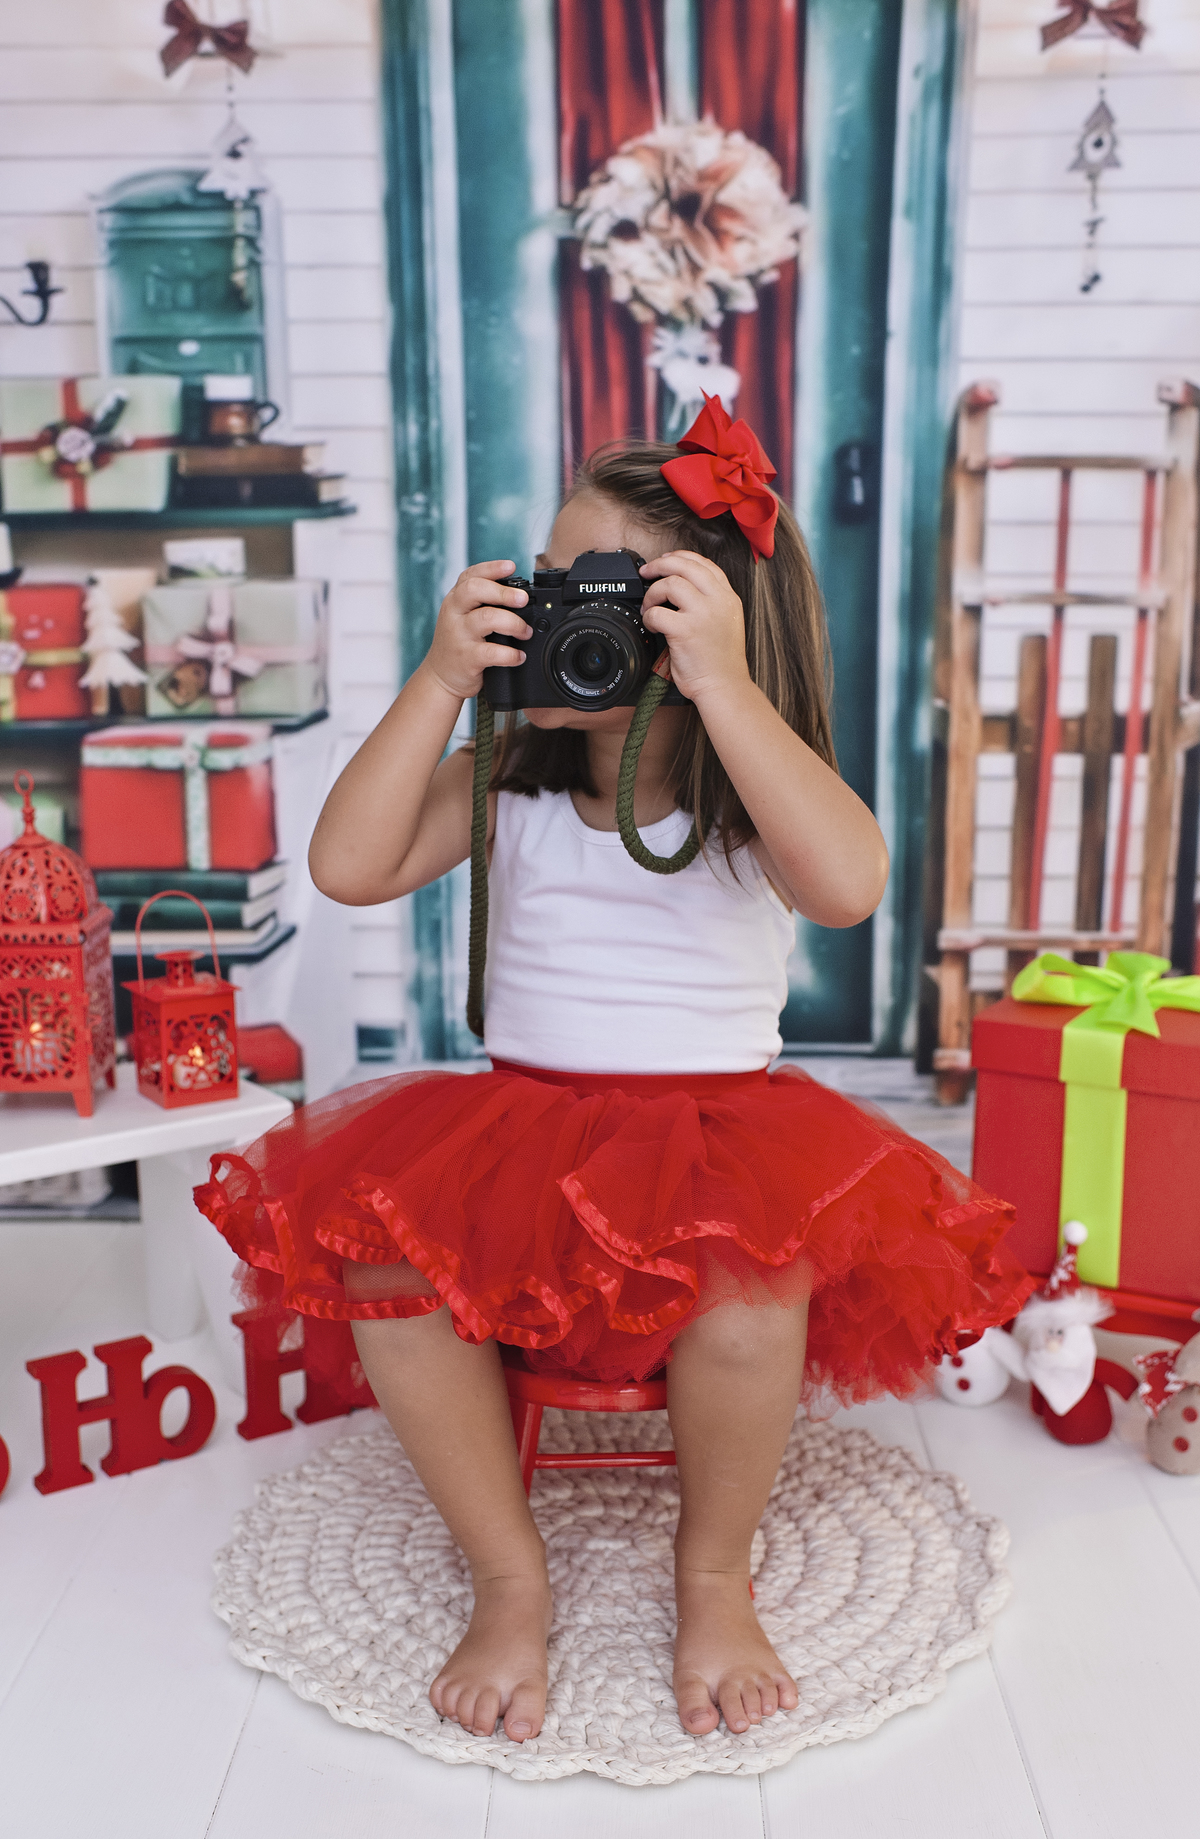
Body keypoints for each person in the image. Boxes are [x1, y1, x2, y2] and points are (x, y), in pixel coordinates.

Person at [197, 398, 1031, 1750]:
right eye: (557, 586)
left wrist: (727, 687)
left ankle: (712, 1574)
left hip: (722, 1139)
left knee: (752, 1297)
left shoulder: (750, 796)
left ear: (714, 622)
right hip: (513, 1133)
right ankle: (507, 1573)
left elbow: (851, 885)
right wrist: (438, 681)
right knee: (384, 1273)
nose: (582, 623)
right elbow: (348, 869)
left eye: (625, 604)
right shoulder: (509, 780)